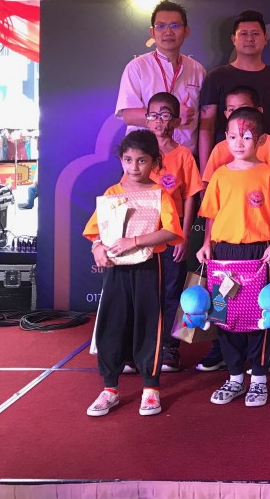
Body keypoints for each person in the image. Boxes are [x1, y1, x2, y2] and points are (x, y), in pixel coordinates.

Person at [82, 130, 185, 417]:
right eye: (128, 160)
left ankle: (151, 388)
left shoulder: (160, 195)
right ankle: (110, 388)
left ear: (155, 162)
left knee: (148, 323)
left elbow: (171, 231)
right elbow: (95, 232)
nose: (134, 167)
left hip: (149, 268)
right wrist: (98, 248)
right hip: (116, 270)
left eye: (142, 160)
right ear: (121, 160)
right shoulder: (112, 194)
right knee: (112, 324)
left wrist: (136, 241)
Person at [197, 107, 270, 407]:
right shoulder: (220, 175)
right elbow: (210, 215)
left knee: (262, 318)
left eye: (247, 137)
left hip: (258, 253)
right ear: (225, 138)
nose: (239, 142)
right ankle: (235, 376)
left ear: (261, 140)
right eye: (234, 136)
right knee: (224, 317)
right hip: (223, 254)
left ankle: (259, 377)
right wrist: (206, 243)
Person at [144, 92, 203, 373]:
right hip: (143, 232)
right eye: (153, 115)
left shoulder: (183, 156)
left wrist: (185, 235)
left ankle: (170, 348)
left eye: (165, 115)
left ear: (177, 120)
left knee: (172, 291)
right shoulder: (139, 153)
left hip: (172, 231)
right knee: (145, 291)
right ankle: (143, 346)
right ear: (146, 119)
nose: (159, 121)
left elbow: (191, 195)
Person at [198, 10, 270, 174]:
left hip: (269, 164)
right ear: (233, 39)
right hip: (226, 165)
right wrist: (205, 175)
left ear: (265, 39)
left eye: (255, 34)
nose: (250, 39)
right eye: (243, 34)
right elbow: (206, 128)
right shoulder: (215, 77)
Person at [115, 0, 206, 152]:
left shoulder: (197, 70)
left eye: (175, 26)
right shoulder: (137, 67)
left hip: (184, 158)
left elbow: (205, 121)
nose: (168, 32)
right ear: (152, 32)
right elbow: (128, 114)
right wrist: (172, 117)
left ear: (186, 31)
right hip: (145, 157)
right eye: (161, 26)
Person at [201, 85, 270, 184]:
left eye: (243, 108)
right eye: (231, 110)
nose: (238, 113)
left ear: (258, 111)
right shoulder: (219, 148)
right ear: (226, 114)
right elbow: (209, 183)